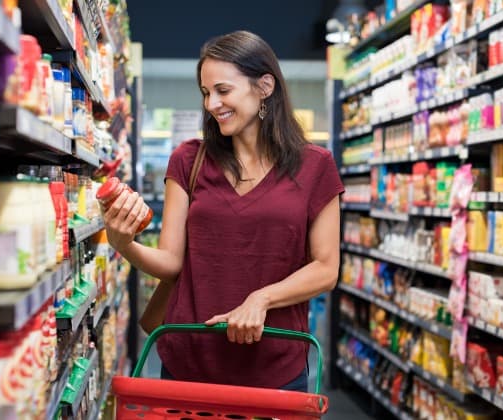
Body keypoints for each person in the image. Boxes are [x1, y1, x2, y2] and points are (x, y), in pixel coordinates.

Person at [101, 30, 343, 391]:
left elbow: (326, 268)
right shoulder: (189, 159)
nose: (212, 104)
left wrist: (262, 298)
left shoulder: (315, 165)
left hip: (275, 365)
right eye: (205, 93)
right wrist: (125, 244)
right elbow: (171, 262)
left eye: (223, 90)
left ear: (264, 87)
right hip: (190, 361)